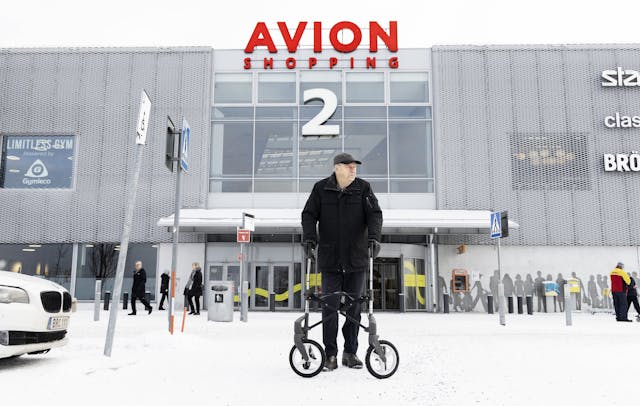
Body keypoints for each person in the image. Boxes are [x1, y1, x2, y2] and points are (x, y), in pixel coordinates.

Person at [301, 153, 383, 372]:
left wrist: (374, 238)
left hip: (356, 259)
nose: (353, 169)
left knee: (354, 309)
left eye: (354, 166)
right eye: (348, 166)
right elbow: (308, 215)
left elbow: (375, 214)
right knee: (330, 308)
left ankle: (350, 352)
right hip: (330, 260)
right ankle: (330, 354)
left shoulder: (363, 188)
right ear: (337, 168)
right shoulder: (320, 189)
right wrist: (309, 238)